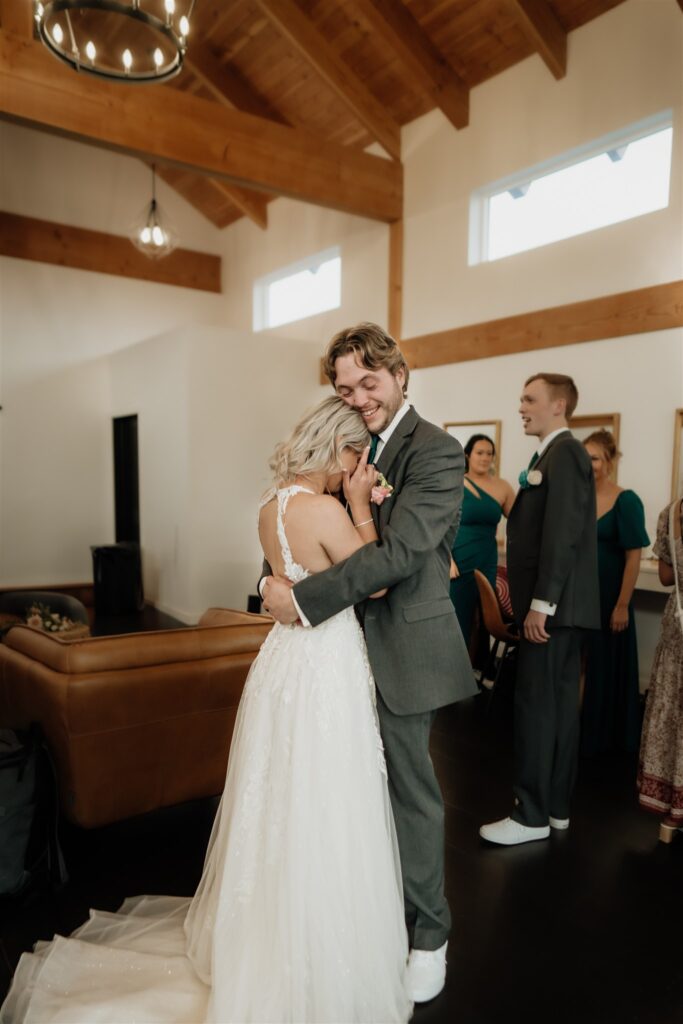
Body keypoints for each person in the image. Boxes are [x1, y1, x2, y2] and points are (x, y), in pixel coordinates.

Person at [1, 396, 413, 1024]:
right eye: (356, 456)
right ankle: (312, 949)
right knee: (327, 793)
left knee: (278, 794)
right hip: (325, 662)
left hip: (282, 662)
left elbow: (284, 580)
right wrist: (361, 507)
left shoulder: (269, 508)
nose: (356, 468)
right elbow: (376, 580)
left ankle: (264, 933)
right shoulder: (329, 508)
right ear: (340, 448)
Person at [263, 323, 478, 1003]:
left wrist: (297, 598)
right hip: (334, 655)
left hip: (401, 645)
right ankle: (362, 919)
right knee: (342, 792)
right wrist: (271, 582)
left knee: (410, 793)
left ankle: (429, 934)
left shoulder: (437, 451)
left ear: (400, 374)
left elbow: (401, 554)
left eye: (369, 382)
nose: (358, 398)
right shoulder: (344, 447)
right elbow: (305, 532)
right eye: (344, 387)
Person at [479, 373, 599, 845]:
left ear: (558, 405)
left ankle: (529, 815)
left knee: (535, 709)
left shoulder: (564, 452)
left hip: (554, 610)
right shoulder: (554, 453)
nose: (521, 406)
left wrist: (541, 605)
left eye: (530, 399)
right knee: (558, 710)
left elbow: (563, 534)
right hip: (564, 611)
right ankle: (555, 809)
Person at [581, 430, 650, 755]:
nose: (589, 464)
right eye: (585, 457)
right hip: (580, 598)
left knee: (607, 666)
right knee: (583, 665)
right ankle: (580, 733)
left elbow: (634, 557)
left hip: (611, 599)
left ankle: (604, 739)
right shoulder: (579, 498)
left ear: (609, 461)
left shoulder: (627, 500)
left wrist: (622, 605)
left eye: (594, 458)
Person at [637, 497, 683, 844]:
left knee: (674, 710)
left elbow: (666, 577)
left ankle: (673, 808)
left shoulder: (673, 512)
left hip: (678, 621)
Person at [449, 433, 514, 651]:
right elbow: (440, 524)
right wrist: (447, 559)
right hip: (458, 557)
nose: (485, 458)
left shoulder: (503, 487)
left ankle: (479, 669)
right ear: (468, 455)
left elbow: (520, 522)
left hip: (487, 556)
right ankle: (456, 673)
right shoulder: (455, 483)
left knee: (484, 617)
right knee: (459, 615)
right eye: (480, 453)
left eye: (489, 453)